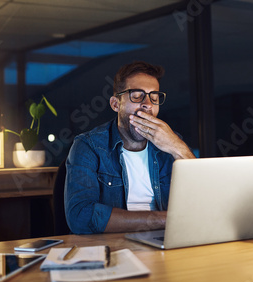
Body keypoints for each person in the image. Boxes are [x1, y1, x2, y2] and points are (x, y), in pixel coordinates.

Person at [65, 61, 196, 234]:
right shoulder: (88, 146)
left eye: (154, 97)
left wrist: (178, 148)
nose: (147, 104)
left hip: (167, 242)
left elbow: (204, 202)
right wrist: (167, 219)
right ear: (115, 104)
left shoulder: (172, 143)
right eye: (137, 96)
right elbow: (80, 217)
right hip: (114, 245)